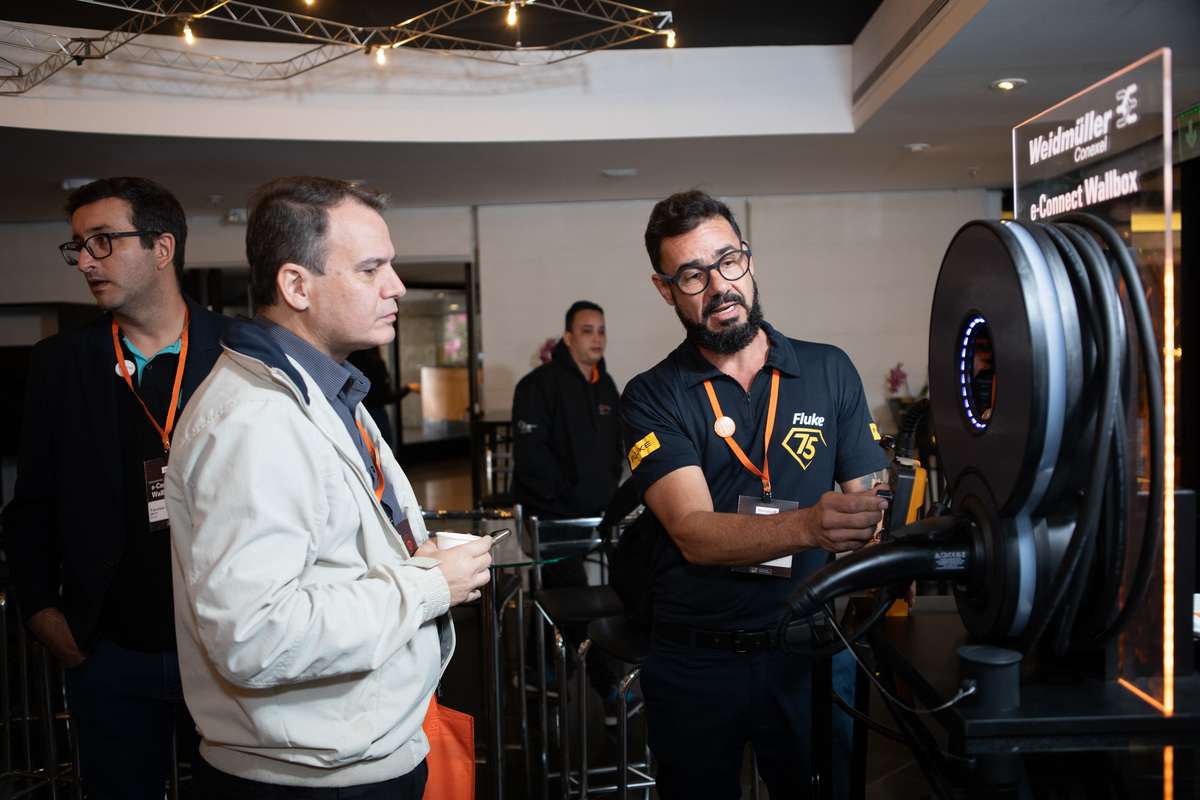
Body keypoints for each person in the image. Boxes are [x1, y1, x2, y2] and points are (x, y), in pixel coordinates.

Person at [165, 176, 492, 798]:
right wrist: (427, 585)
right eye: (371, 269)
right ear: (296, 286)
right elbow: (255, 636)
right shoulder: (254, 420)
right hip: (310, 779)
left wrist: (414, 560)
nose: (396, 286)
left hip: (351, 752)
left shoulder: (325, 388)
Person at [620, 190, 891, 799]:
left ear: (748, 258)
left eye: (728, 261)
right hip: (696, 662)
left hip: (812, 651)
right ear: (666, 289)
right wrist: (811, 526)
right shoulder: (652, 395)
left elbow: (870, 499)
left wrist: (876, 527)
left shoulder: (829, 370)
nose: (720, 286)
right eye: (693, 275)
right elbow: (692, 531)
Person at [1, 177, 229, 799]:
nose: (86, 261)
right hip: (109, 651)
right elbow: (33, 502)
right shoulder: (60, 362)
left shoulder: (240, 351)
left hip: (225, 648)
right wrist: (43, 613)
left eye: (103, 241)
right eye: (78, 246)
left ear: (162, 248)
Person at [511, 300, 626, 719]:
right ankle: (608, 687)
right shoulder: (538, 385)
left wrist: (606, 490)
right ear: (568, 337)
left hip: (594, 517)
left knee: (558, 595)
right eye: (587, 330)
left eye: (601, 330)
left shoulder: (606, 384)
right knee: (575, 599)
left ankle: (533, 667)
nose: (597, 338)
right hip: (551, 517)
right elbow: (532, 457)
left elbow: (615, 449)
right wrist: (570, 492)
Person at [347, 346, 420, 445]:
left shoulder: (346, 362)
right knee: (381, 449)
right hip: (375, 415)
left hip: (352, 414)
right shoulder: (376, 362)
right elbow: (386, 397)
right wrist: (409, 388)